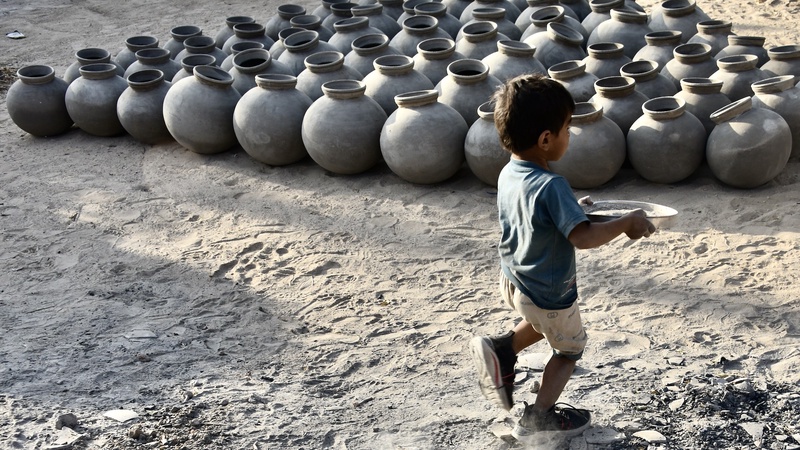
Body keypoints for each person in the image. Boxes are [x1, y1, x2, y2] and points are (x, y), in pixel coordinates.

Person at [469, 73, 655, 445]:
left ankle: (502, 349)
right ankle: (539, 417)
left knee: (540, 320)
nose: (570, 134)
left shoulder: (510, 172)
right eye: (567, 127)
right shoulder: (553, 185)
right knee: (569, 348)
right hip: (549, 289)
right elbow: (583, 238)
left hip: (515, 279)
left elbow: (538, 214)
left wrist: (575, 206)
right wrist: (626, 222)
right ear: (545, 139)